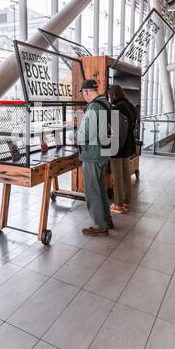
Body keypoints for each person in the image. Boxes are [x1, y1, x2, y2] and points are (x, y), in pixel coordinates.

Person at [77, 79, 113, 236]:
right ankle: (106, 220)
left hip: (92, 153)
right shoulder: (105, 103)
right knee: (100, 189)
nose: (84, 96)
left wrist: (75, 138)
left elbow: (86, 132)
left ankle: (99, 225)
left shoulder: (93, 107)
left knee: (92, 191)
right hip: (104, 152)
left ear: (86, 92)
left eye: (83, 93)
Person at [108, 85, 137, 214]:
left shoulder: (118, 107)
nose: (109, 98)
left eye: (110, 96)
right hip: (128, 145)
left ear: (114, 95)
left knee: (117, 176)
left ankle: (118, 204)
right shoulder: (130, 105)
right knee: (126, 174)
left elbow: (113, 128)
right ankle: (126, 202)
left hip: (117, 146)